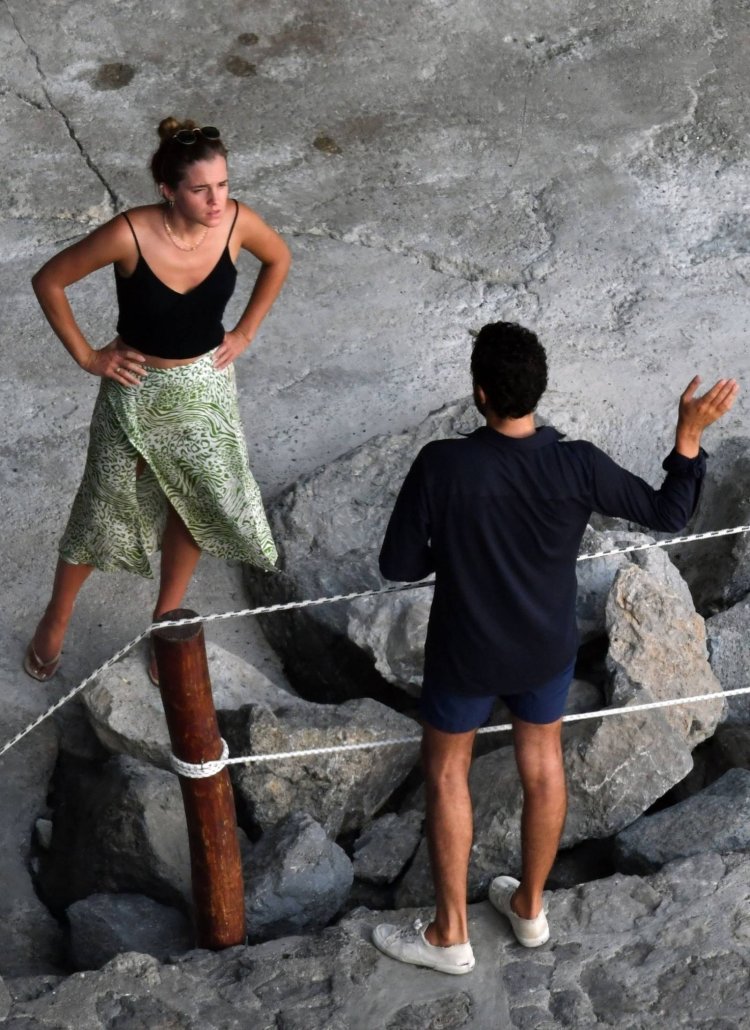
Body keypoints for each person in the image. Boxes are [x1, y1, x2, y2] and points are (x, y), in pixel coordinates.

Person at [371, 321, 738, 974]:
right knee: (543, 769)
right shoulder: (578, 465)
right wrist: (687, 438)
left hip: (464, 652)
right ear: (538, 392)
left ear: (479, 392)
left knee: (448, 772)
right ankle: (531, 911)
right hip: (544, 649)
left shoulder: (443, 465)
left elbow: (398, 565)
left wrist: (451, 551)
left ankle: (449, 934)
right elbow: (668, 513)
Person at [24, 117, 291, 685]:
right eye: (201, 189)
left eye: (222, 185)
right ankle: (57, 616)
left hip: (205, 389)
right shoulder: (130, 234)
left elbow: (279, 259)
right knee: (102, 506)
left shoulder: (237, 222)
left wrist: (244, 332)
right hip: (135, 389)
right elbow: (49, 280)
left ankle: (165, 616)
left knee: (195, 503)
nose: (217, 200)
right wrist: (88, 356)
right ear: (169, 191)